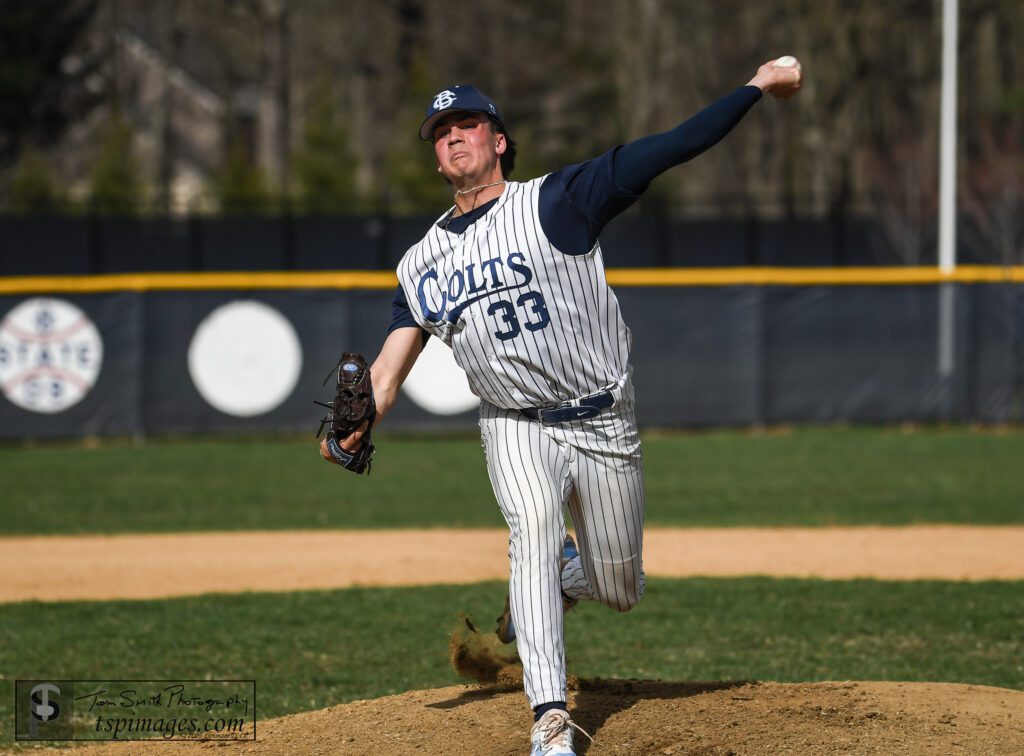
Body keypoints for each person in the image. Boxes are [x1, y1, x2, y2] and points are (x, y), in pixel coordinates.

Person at [321, 58, 802, 756]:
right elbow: (391, 365)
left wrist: (756, 87)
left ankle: (550, 587)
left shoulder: (561, 199)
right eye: (440, 131)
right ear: (434, 156)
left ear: (500, 141)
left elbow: (673, 145)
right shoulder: (420, 261)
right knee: (533, 531)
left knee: (621, 585)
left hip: (602, 418)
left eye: (469, 124)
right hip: (513, 424)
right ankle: (549, 719)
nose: (454, 137)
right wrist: (359, 419)